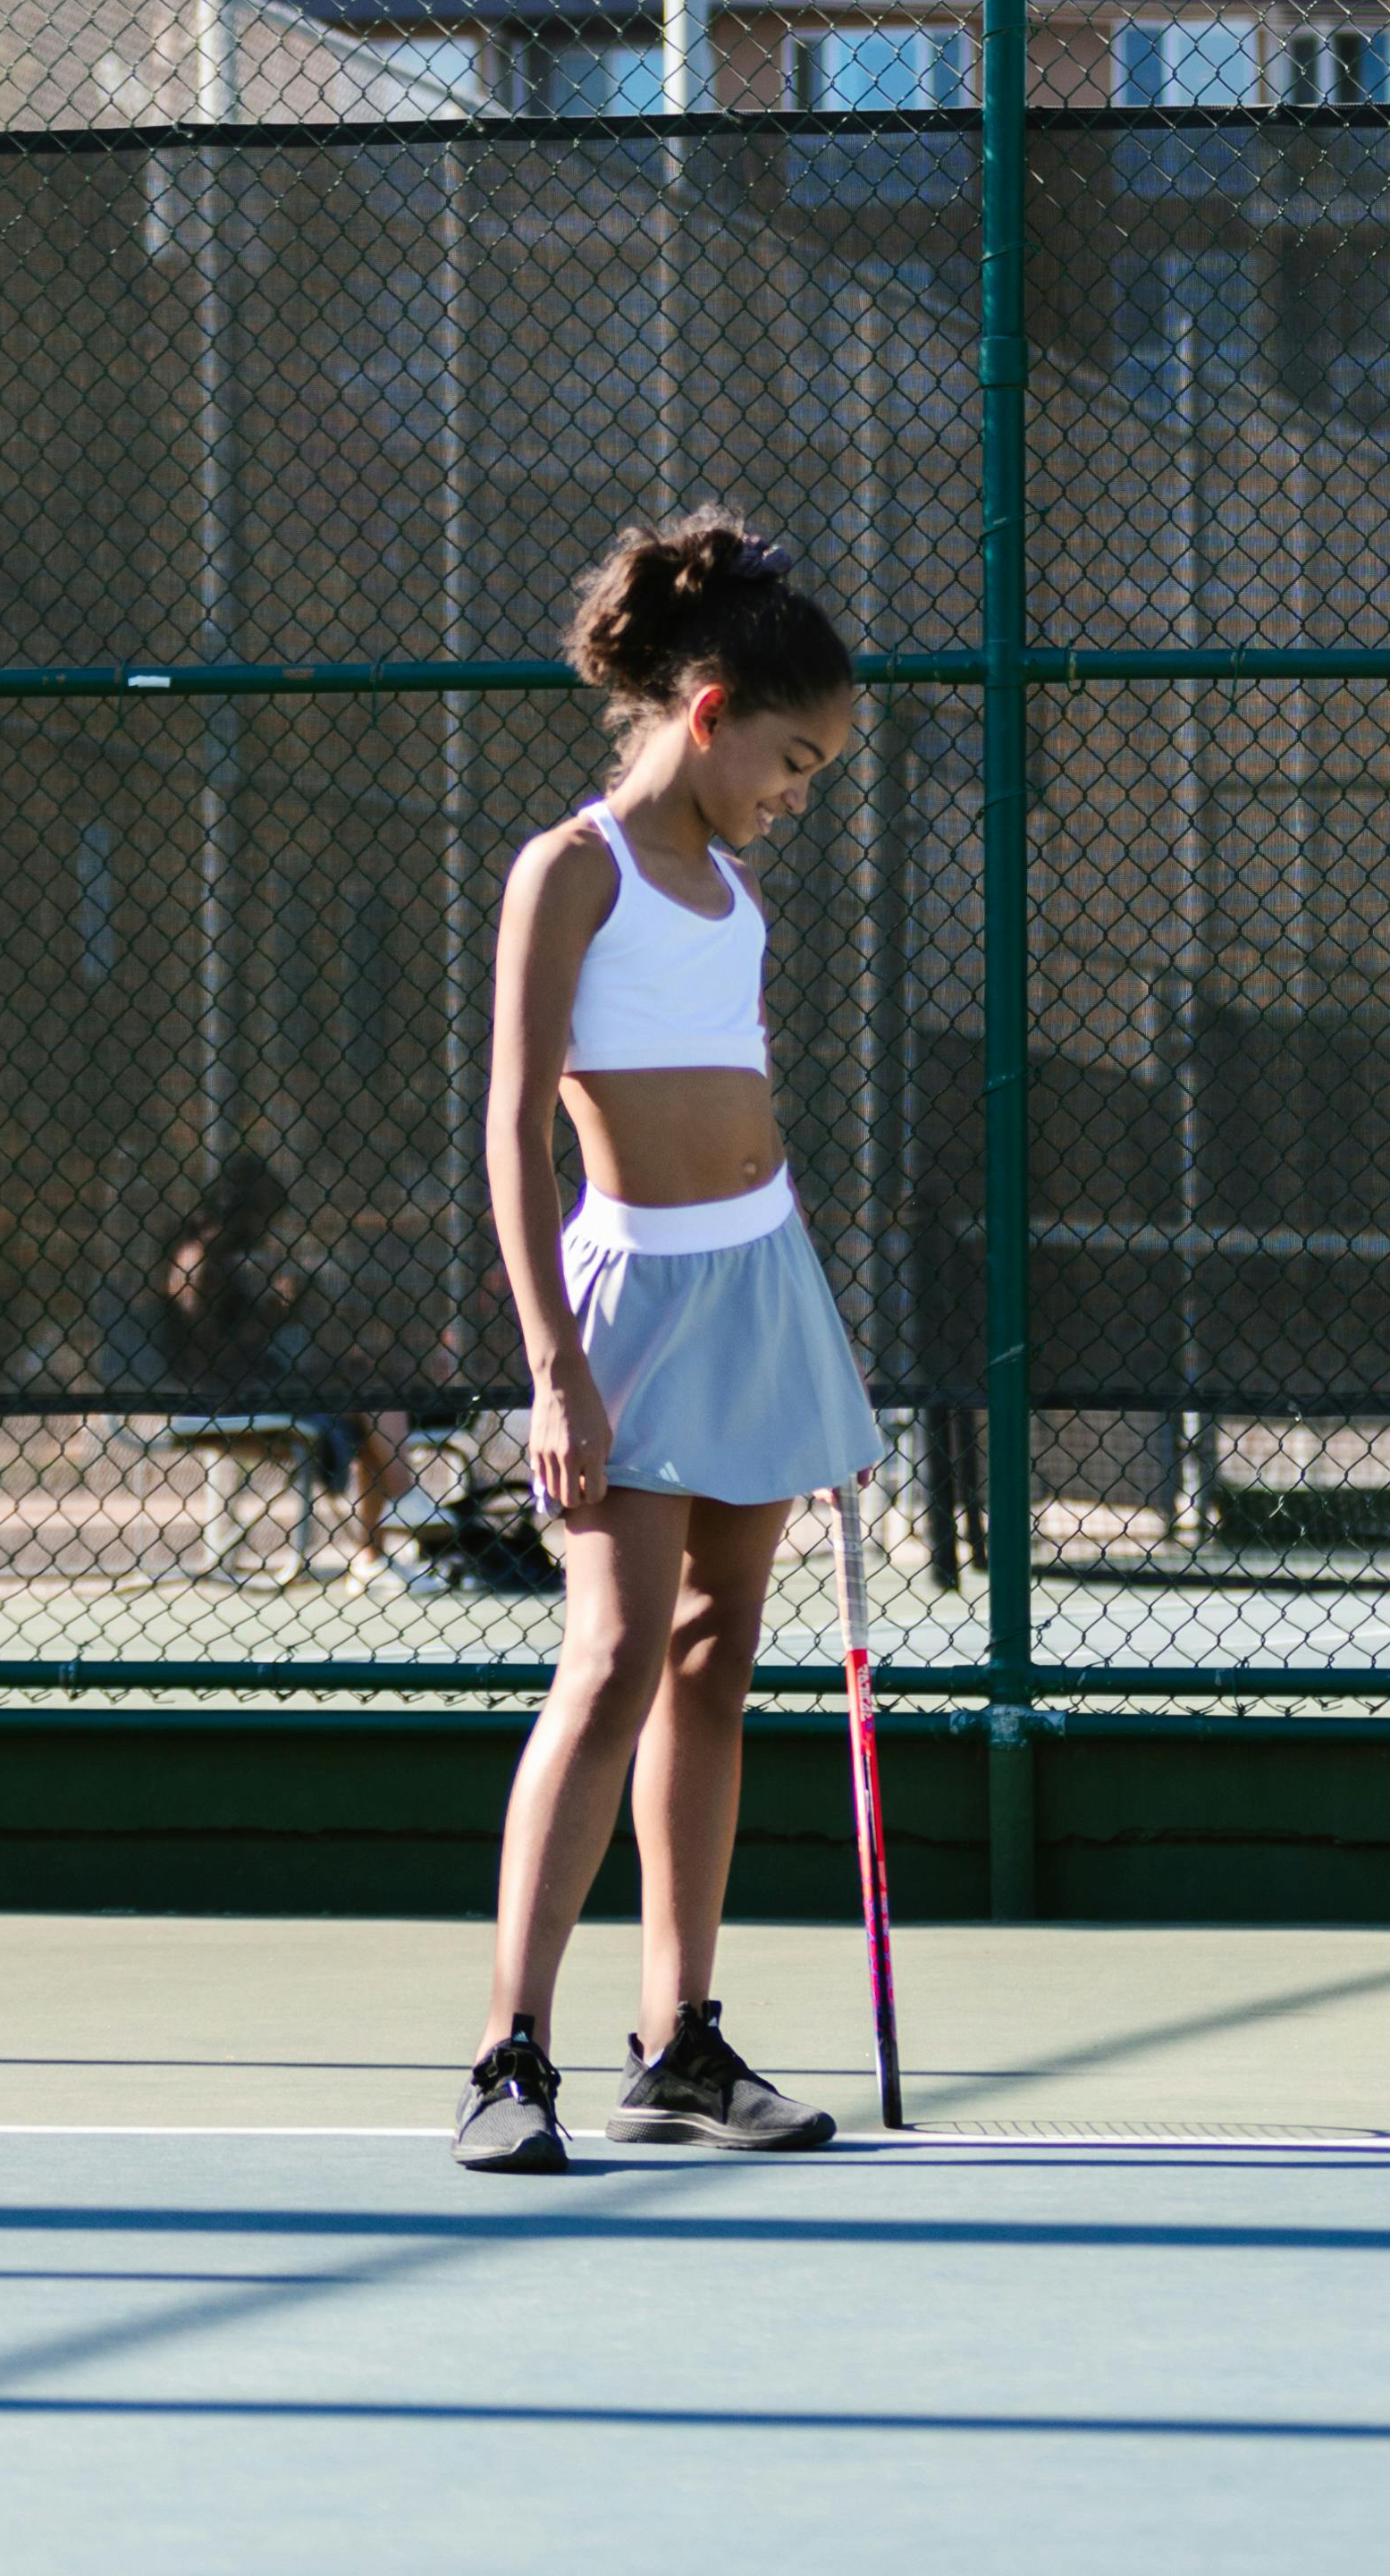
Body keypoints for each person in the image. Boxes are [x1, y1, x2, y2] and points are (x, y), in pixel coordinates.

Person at [454, 510, 876, 2175]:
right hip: (625, 1302)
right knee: (614, 1655)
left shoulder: (735, 888)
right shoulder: (568, 869)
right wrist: (552, 1356)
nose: (796, 789)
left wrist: (788, 1310)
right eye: (789, 756)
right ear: (706, 710)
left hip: (760, 1279)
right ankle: (507, 2047)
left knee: (713, 1663)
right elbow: (511, 1126)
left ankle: (678, 2040)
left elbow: (732, 1100)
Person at [149, 1153, 414, 1587]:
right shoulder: (201, 1260)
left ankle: (378, 1546)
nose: (265, 1228)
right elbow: (209, 1353)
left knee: (366, 1384)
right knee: (368, 1396)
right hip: (226, 1396)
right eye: (263, 1215)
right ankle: (407, 1511)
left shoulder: (219, 1256)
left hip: (250, 1382)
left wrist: (275, 1314)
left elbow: (236, 1340)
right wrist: (268, 1319)